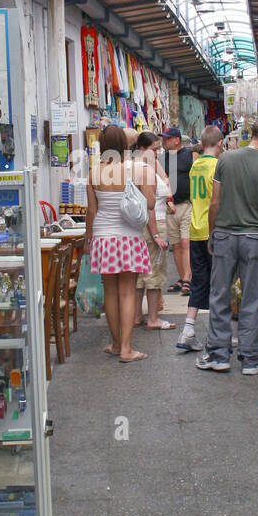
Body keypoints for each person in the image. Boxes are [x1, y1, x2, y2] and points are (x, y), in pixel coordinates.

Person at [197, 116, 258, 375]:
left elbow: (214, 203)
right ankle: (250, 359)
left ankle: (218, 355)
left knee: (220, 294)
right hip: (255, 240)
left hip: (225, 236)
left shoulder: (226, 159)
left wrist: (212, 234)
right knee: (252, 298)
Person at [85, 124, 154, 363]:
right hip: (129, 237)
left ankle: (116, 344)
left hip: (103, 238)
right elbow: (151, 203)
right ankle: (127, 348)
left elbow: (91, 212)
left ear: (102, 145)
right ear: (124, 145)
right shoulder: (135, 170)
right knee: (128, 293)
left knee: (110, 293)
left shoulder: (94, 172)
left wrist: (88, 239)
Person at [176, 124, 224, 353]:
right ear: (220, 144)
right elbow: (217, 201)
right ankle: (216, 335)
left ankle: (188, 329)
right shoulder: (218, 167)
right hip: (211, 231)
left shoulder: (195, 167)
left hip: (195, 230)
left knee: (198, 282)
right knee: (218, 283)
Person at [133, 131, 174, 331]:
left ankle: (137, 316)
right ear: (142, 148)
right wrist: (156, 234)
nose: (157, 153)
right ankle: (153, 318)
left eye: (159, 150)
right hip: (153, 223)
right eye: (154, 149)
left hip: (143, 224)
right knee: (154, 272)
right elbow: (149, 205)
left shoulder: (139, 167)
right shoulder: (145, 171)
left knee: (141, 273)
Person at [160, 126, 194, 296]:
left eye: (167, 138)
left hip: (186, 204)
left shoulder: (188, 155)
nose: (164, 141)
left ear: (176, 140)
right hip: (169, 206)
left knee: (186, 243)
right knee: (176, 244)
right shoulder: (162, 158)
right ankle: (182, 278)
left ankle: (188, 277)